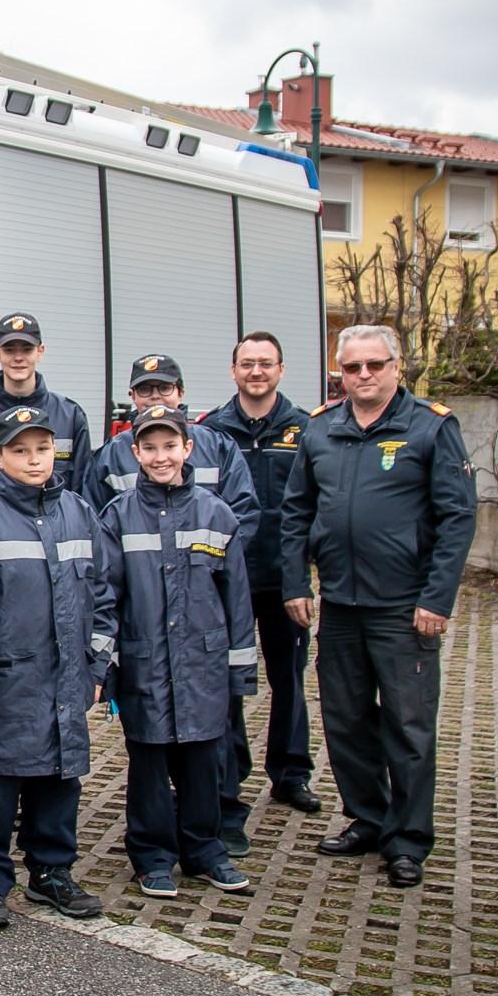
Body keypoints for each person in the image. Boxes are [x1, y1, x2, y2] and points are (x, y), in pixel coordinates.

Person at [280, 325, 476, 890]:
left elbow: (457, 518)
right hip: (340, 603)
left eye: (374, 364)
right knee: (346, 721)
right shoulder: (321, 428)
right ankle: (368, 817)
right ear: (339, 372)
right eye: (352, 367)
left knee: (408, 726)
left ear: (397, 366)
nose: (363, 375)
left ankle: (408, 839)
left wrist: (436, 598)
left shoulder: (431, 426)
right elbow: (296, 512)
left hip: (404, 607)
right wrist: (296, 583)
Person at [83, 352, 261, 857]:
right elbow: (104, 591)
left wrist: (239, 673)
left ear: (188, 447)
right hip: (146, 657)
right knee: (149, 761)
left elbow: (237, 599)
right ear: (134, 451)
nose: (161, 456)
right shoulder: (117, 513)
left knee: (206, 757)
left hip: (203, 660)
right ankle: (153, 854)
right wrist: (104, 665)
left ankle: (206, 849)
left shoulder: (216, 512)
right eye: (150, 447)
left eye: (170, 446)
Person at [0, 405, 114, 927]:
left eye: (42, 448)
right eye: (20, 450)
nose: (34, 459)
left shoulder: (79, 512)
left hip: (66, 680)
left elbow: (104, 595)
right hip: (3, 683)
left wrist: (96, 668)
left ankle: (51, 872)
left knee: (60, 782)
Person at [197, 333, 321, 819]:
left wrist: (304, 574)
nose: (256, 372)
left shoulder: (306, 429)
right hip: (225, 580)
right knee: (227, 679)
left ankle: (291, 773)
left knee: (288, 677)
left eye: (265, 363)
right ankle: (232, 768)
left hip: (282, 577)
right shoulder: (212, 430)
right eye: (247, 363)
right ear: (233, 371)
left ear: (280, 370)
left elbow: (314, 505)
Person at [0, 313, 94, 492]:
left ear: (40, 351)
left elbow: (83, 488)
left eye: (27, 349)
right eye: (9, 350)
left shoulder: (70, 416)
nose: (18, 358)